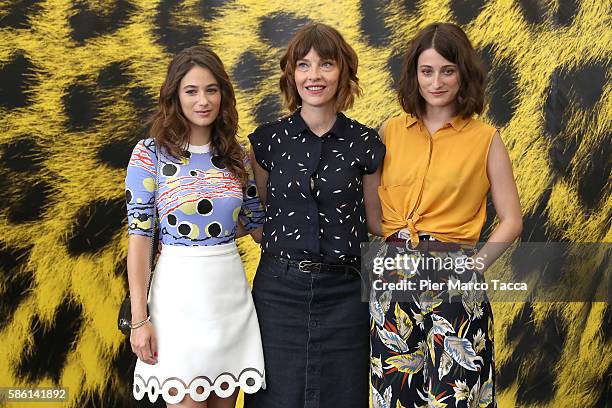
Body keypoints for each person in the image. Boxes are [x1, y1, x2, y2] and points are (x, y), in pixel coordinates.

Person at [369, 23, 522, 408]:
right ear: (414, 75)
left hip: (455, 280)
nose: (437, 82)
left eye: (447, 70)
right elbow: (372, 211)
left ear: (463, 74)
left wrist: (473, 265)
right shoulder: (390, 132)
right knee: (394, 394)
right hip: (393, 279)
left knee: (456, 397)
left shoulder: (485, 138)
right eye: (427, 71)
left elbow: (512, 219)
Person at [244, 23, 385, 408]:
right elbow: (260, 222)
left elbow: (376, 221)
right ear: (290, 74)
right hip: (278, 292)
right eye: (303, 65)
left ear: (343, 72)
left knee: (344, 397)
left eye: (326, 64)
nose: (314, 75)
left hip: (346, 293)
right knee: (273, 397)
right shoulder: (266, 141)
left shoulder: (366, 142)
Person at [125, 45, 265, 408]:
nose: (202, 100)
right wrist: (139, 321)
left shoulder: (236, 155)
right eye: (191, 91)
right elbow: (139, 239)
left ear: (223, 95)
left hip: (230, 301)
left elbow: (256, 224)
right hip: (176, 305)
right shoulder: (149, 153)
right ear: (175, 96)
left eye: (211, 90)